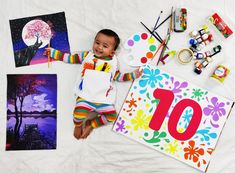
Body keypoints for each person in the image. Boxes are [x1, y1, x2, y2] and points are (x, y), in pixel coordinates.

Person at [45, 29, 142, 140]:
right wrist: (53, 53)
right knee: (78, 114)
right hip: (85, 96)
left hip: (103, 99)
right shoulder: (87, 56)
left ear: (112, 52)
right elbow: (70, 58)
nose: (99, 47)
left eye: (105, 46)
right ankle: (78, 125)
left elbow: (118, 77)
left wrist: (132, 75)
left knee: (112, 117)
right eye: (97, 43)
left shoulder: (113, 63)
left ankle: (91, 124)